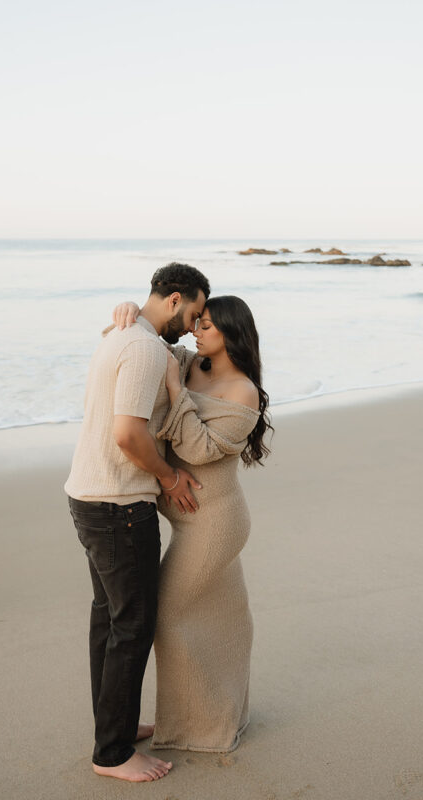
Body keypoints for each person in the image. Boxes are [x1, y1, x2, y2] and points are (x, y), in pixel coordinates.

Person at [65, 262, 210, 783]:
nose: (194, 326)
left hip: (89, 495)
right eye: (193, 313)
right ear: (174, 299)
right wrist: (170, 478)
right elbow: (129, 434)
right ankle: (112, 755)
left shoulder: (127, 333)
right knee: (131, 626)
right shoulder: (145, 346)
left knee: (109, 621)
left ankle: (116, 728)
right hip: (119, 505)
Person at [113, 294, 271, 753]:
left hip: (215, 524)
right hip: (191, 521)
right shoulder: (190, 362)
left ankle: (193, 729)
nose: (194, 331)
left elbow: (201, 450)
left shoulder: (243, 390)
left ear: (229, 333)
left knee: (167, 614)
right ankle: (220, 716)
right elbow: (139, 344)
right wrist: (127, 313)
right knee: (226, 620)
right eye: (196, 323)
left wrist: (177, 391)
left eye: (205, 326)